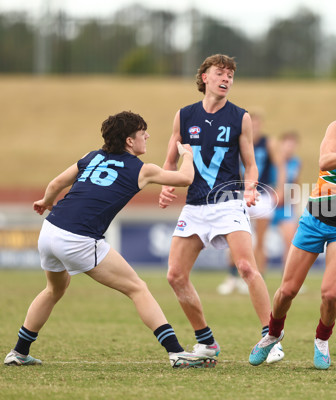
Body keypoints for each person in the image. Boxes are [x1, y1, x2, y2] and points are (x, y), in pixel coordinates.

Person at [4, 111, 213, 369]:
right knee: (137, 288)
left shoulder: (90, 156)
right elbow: (186, 179)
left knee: (54, 289)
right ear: (128, 141)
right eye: (142, 133)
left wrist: (46, 201)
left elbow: (57, 182)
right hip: (78, 238)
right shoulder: (142, 170)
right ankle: (177, 353)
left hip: (50, 230)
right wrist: (188, 156)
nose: (147, 136)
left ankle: (19, 352)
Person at [248, 78, 336, 370]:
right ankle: (273, 334)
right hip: (314, 221)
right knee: (287, 291)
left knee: (330, 293)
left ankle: (322, 340)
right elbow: (324, 160)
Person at [158, 54, 283, 364]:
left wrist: (252, 187)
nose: (226, 78)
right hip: (195, 206)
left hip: (229, 204)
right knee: (175, 274)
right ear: (205, 78)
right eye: (220, 73)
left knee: (246, 267)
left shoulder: (240, 117)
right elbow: (171, 158)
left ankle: (272, 339)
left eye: (230, 75)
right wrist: (166, 185)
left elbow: (251, 165)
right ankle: (206, 342)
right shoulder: (184, 116)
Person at [217, 109, 283, 295]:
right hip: (239, 194)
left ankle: (258, 279)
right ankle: (232, 278)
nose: (254, 127)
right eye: (250, 124)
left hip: (262, 194)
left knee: (260, 240)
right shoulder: (238, 143)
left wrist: (280, 188)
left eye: (256, 124)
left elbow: (280, 164)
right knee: (234, 239)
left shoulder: (268, 143)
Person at [271, 130, 302, 267]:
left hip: (286, 207)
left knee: (291, 242)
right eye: (287, 144)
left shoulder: (296, 162)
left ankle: (287, 280)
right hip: (269, 204)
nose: (290, 147)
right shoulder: (272, 160)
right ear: (281, 144)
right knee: (255, 242)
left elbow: (295, 182)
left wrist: (295, 205)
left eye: (292, 145)